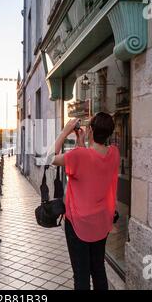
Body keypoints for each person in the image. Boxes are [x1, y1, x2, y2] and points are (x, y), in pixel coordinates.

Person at [52, 112, 119, 290]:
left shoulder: (78, 156)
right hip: (101, 221)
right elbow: (90, 167)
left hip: (78, 224)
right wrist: (81, 142)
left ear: (90, 129)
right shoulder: (114, 153)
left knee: (81, 274)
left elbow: (50, 157)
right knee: (98, 269)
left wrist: (65, 132)